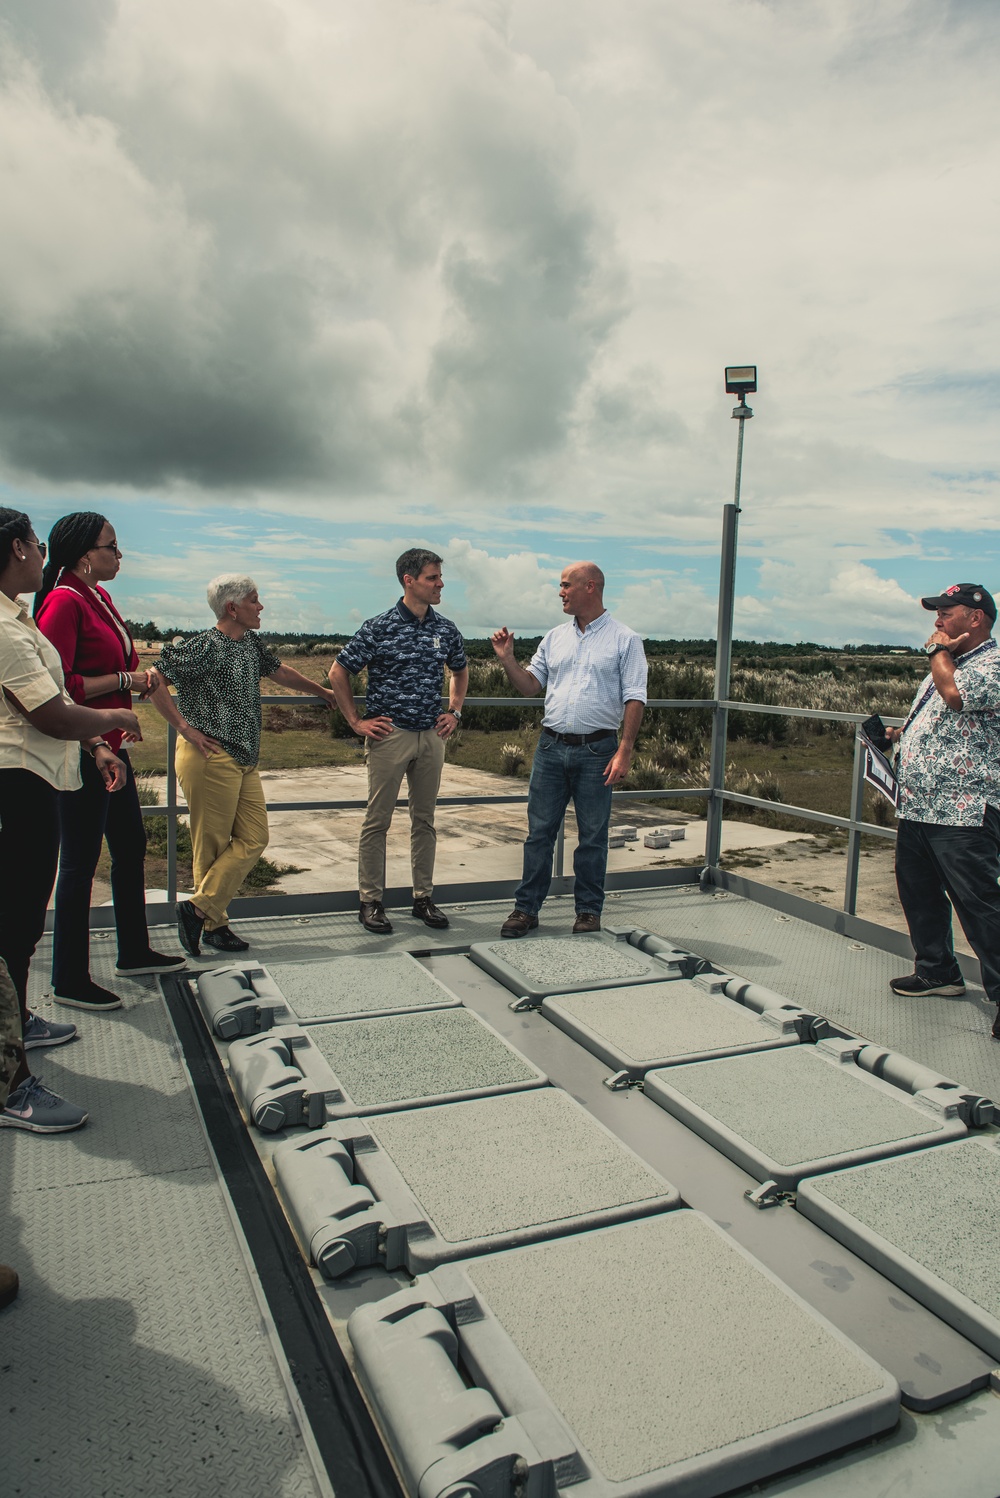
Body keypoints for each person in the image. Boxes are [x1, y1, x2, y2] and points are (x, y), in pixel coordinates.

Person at [0, 508, 141, 1134]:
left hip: (42, 775)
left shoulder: (21, 615)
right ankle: (11, 1081)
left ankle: (18, 1021)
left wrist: (95, 745)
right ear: (14, 550)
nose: (39, 551)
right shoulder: (25, 619)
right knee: (16, 917)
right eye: (31, 543)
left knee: (25, 915)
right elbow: (53, 711)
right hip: (17, 783)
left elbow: (50, 703)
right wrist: (119, 716)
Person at [33, 513, 185, 1011]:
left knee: (130, 844)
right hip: (83, 749)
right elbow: (59, 685)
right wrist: (125, 683)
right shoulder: (62, 602)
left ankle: (133, 951)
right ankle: (70, 979)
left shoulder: (96, 596)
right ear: (84, 555)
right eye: (112, 547)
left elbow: (115, 663)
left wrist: (132, 679)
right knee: (79, 863)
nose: (119, 555)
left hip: (110, 746)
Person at [148, 574, 339, 958]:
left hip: (245, 758)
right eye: (254, 600)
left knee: (254, 837)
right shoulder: (204, 646)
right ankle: (215, 927)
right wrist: (184, 728)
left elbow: (280, 672)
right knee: (212, 846)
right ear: (232, 608)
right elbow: (154, 681)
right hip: (209, 756)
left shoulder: (250, 644)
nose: (261, 606)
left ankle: (198, 908)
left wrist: (321, 690)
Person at [490, 561, 647, 937]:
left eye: (565, 586)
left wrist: (624, 750)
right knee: (538, 834)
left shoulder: (625, 639)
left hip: (598, 752)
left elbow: (635, 697)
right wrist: (508, 660)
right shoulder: (554, 637)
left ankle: (588, 912)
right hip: (551, 747)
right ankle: (526, 910)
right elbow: (530, 687)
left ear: (590, 587)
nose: (560, 592)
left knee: (593, 836)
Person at [328, 549, 468, 935]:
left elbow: (460, 669)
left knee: (424, 820)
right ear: (409, 580)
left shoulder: (446, 629)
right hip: (390, 737)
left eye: (440, 577)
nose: (440, 584)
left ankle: (422, 898)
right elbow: (338, 672)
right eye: (432, 578)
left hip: (432, 736)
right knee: (378, 821)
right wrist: (356, 721)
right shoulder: (379, 627)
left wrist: (454, 710)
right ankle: (370, 901)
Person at [886, 582, 1000, 1041]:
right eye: (936, 613)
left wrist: (936, 653)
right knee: (919, 893)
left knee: (980, 907)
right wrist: (898, 736)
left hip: (963, 811)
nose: (936, 622)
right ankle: (938, 971)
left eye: (945, 613)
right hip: (920, 806)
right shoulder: (950, 663)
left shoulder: (992, 663)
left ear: (975, 618)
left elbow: (955, 697)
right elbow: (944, 716)